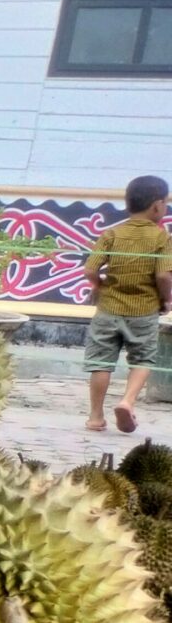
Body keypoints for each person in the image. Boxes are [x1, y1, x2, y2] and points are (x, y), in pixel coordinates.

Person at [82, 175, 172, 432]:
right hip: (143, 310)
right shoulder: (161, 238)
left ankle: (96, 417)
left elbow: (90, 269)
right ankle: (127, 401)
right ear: (157, 206)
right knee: (143, 359)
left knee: (101, 362)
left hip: (108, 309)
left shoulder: (112, 233)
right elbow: (163, 276)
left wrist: (98, 286)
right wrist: (167, 299)